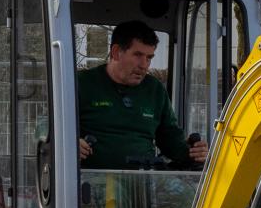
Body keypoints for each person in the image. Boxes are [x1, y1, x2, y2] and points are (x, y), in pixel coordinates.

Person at [76, 21, 208, 170]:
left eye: (149, 58)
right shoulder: (81, 84)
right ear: (116, 52)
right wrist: (71, 144)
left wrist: (194, 152)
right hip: (90, 178)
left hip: (144, 178)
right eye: (137, 55)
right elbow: (58, 134)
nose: (144, 65)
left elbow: (171, 140)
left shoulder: (154, 90)